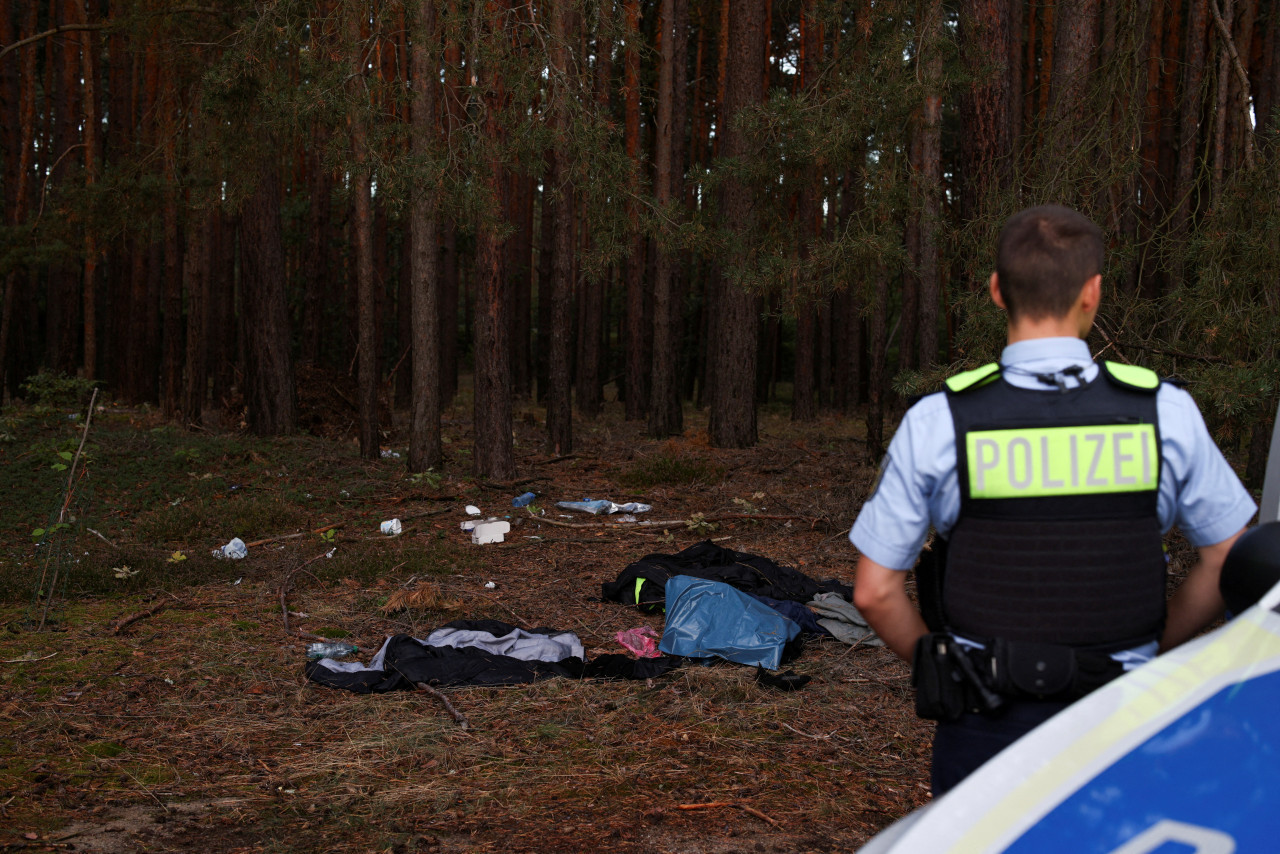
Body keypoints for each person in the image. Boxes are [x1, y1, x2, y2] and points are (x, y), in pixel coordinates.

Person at [850, 204, 1256, 796]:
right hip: (1126, 717)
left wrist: (939, 666)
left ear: (996, 291)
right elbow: (1228, 559)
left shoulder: (939, 422)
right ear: (1092, 292)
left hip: (983, 725)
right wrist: (1152, 649)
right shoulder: (1163, 413)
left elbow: (874, 589)